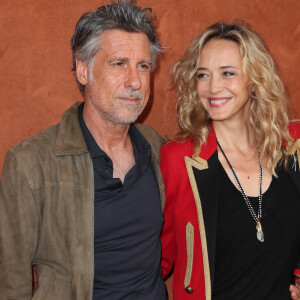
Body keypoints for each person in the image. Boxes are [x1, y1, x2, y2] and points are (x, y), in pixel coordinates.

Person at [0, 1, 167, 299]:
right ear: (82, 70)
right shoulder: (30, 164)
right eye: (119, 64)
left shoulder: (155, 147)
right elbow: (11, 284)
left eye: (143, 66)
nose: (135, 81)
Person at [160, 22, 300, 299]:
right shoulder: (180, 159)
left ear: (255, 78)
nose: (213, 87)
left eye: (228, 73)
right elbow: (156, 259)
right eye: (203, 75)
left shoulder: (294, 145)